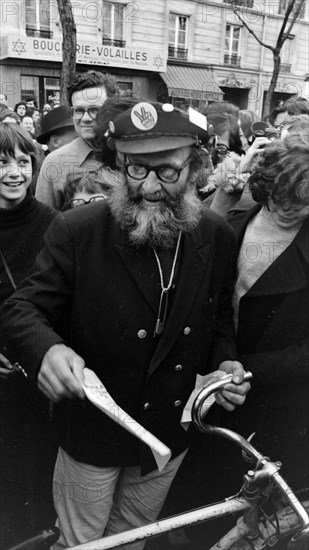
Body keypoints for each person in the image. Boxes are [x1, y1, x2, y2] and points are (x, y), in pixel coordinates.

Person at [0, 101, 250, 550]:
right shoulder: (78, 230)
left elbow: (218, 322)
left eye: (167, 172)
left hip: (169, 434)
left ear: (194, 167)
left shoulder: (217, 235)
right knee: (81, 543)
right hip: (95, 433)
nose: (149, 187)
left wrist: (224, 363)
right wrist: (47, 349)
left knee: (133, 539)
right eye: (136, 169)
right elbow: (22, 309)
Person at [0, 122, 58, 547]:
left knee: (36, 462)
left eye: (22, 161)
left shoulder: (54, 223)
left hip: (36, 367)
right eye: (2, 162)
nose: (14, 172)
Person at [35, 70, 117, 209]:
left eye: (94, 110)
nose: (85, 118)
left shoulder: (128, 154)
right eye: (79, 110)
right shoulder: (55, 162)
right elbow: (44, 224)